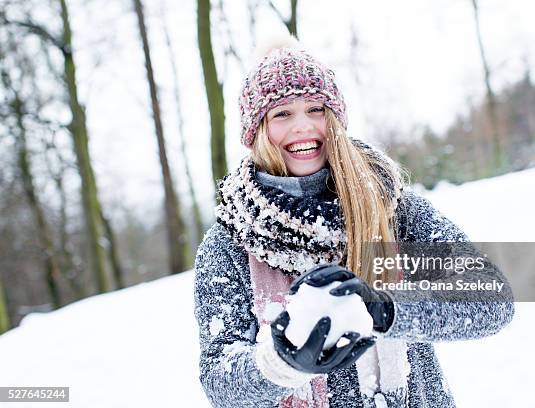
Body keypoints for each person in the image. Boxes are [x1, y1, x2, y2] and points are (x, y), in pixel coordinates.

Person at [194, 38, 514, 408]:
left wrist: (382, 310)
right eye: (282, 113)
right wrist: (283, 361)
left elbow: (490, 298)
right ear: (256, 131)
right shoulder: (231, 241)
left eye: (315, 109)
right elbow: (220, 382)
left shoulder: (390, 207)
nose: (302, 126)